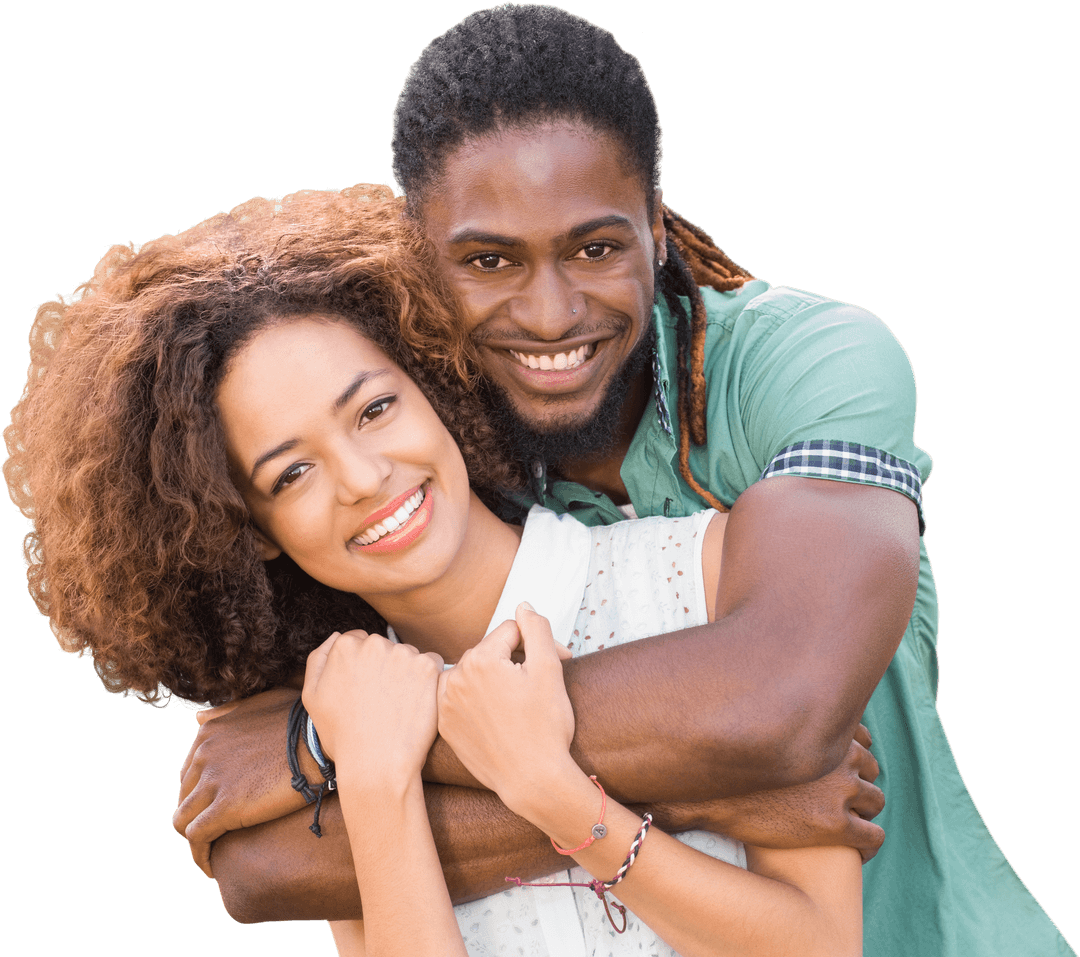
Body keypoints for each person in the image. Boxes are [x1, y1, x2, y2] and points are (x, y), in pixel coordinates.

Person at [176, 6, 1074, 957]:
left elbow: (781, 705)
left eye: (597, 247)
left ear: (656, 220)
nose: (552, 312)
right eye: (488, 260)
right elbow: (271, 867)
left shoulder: (807, 365)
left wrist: (350, 747)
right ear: (419, 264)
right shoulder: (442, 456)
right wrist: (685, 785)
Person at [13, 182, 863, 956]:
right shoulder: (332, 722)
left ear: (435, 385)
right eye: (290, 474)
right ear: (254, 530)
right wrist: (377, 775)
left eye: (375, 409)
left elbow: (822, 948)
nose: (363, 477)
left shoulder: (700, 573)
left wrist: (560, 797)